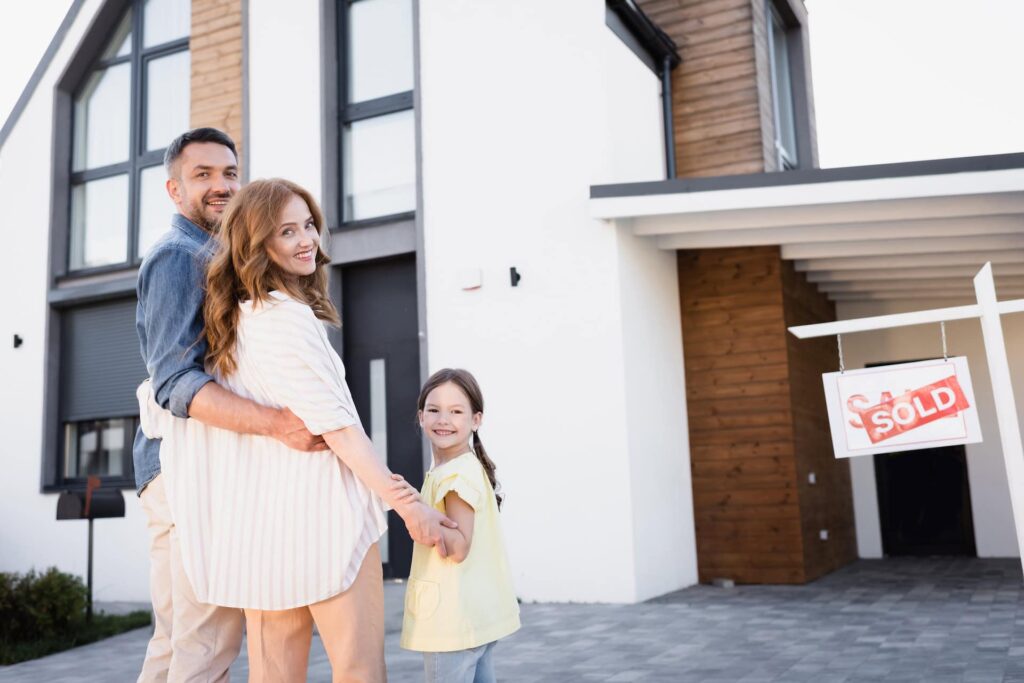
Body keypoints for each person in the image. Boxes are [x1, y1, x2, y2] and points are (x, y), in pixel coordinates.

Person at [138, 177, 454, 683]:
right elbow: (341, 430)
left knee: (274, 675)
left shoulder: (230, 325)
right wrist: (411, 507)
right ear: (258, 245)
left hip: (264, 535)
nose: (307, 239)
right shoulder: (284, 317)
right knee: (359, 673)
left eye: (308, 225)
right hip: (328, 527)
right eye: (287, 232)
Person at [136, 128, 325, 682]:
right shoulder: (180, 257)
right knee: (206, 642)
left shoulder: (223, 255)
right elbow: (175, 381)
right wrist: (278, 424)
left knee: (179, 644)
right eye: (203, 175)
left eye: (229, 173)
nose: (221, 186)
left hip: (192, 469)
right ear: (174, 191)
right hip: (182, 470)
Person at [400, 369, 521, 683]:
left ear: (475, 420)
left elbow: (459, 546)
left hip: (452, 623)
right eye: (435, 410)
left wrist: (417, 517)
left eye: (456, 412)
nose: (444, 419)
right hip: (474, 617)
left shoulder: (455, 476)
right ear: (421, 417)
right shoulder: (462, 467)